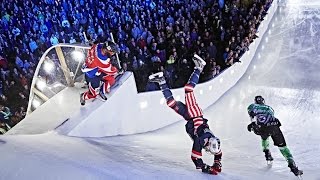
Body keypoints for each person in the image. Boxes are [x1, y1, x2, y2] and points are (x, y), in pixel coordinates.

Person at [149, 54, 222, 175]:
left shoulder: (213, 142)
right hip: (195, 114)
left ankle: (161, 81)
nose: (209, 150)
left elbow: (219, 153)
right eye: (209, 149)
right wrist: (208, 169)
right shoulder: (202, 140)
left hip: (190, 117)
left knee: (171, 103)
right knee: (188, 89)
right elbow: (196, 159)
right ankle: (199, 67)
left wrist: (217, 163)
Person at [247, 95, 303, 177]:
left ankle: (267, 153)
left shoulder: (252, 106)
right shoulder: (269, 108)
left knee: (264, 137)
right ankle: (292, 165)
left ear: (255, 101)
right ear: (263, 101)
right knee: (283, 148)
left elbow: (252, 115)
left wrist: (253, 124)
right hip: (274, 127)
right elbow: (270, 116)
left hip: (261, 128)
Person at [80, 41, 121, 105]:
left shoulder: (97, 46)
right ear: (107, 50)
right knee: (94, 94)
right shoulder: (101, 60)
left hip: (97, 70)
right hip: (92, 76)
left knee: (111, 79)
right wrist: (119, 70)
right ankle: (83, 96)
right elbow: (111, 70)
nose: (113, 54)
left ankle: (102, 91)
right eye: (112, 52)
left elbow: (97, 44)